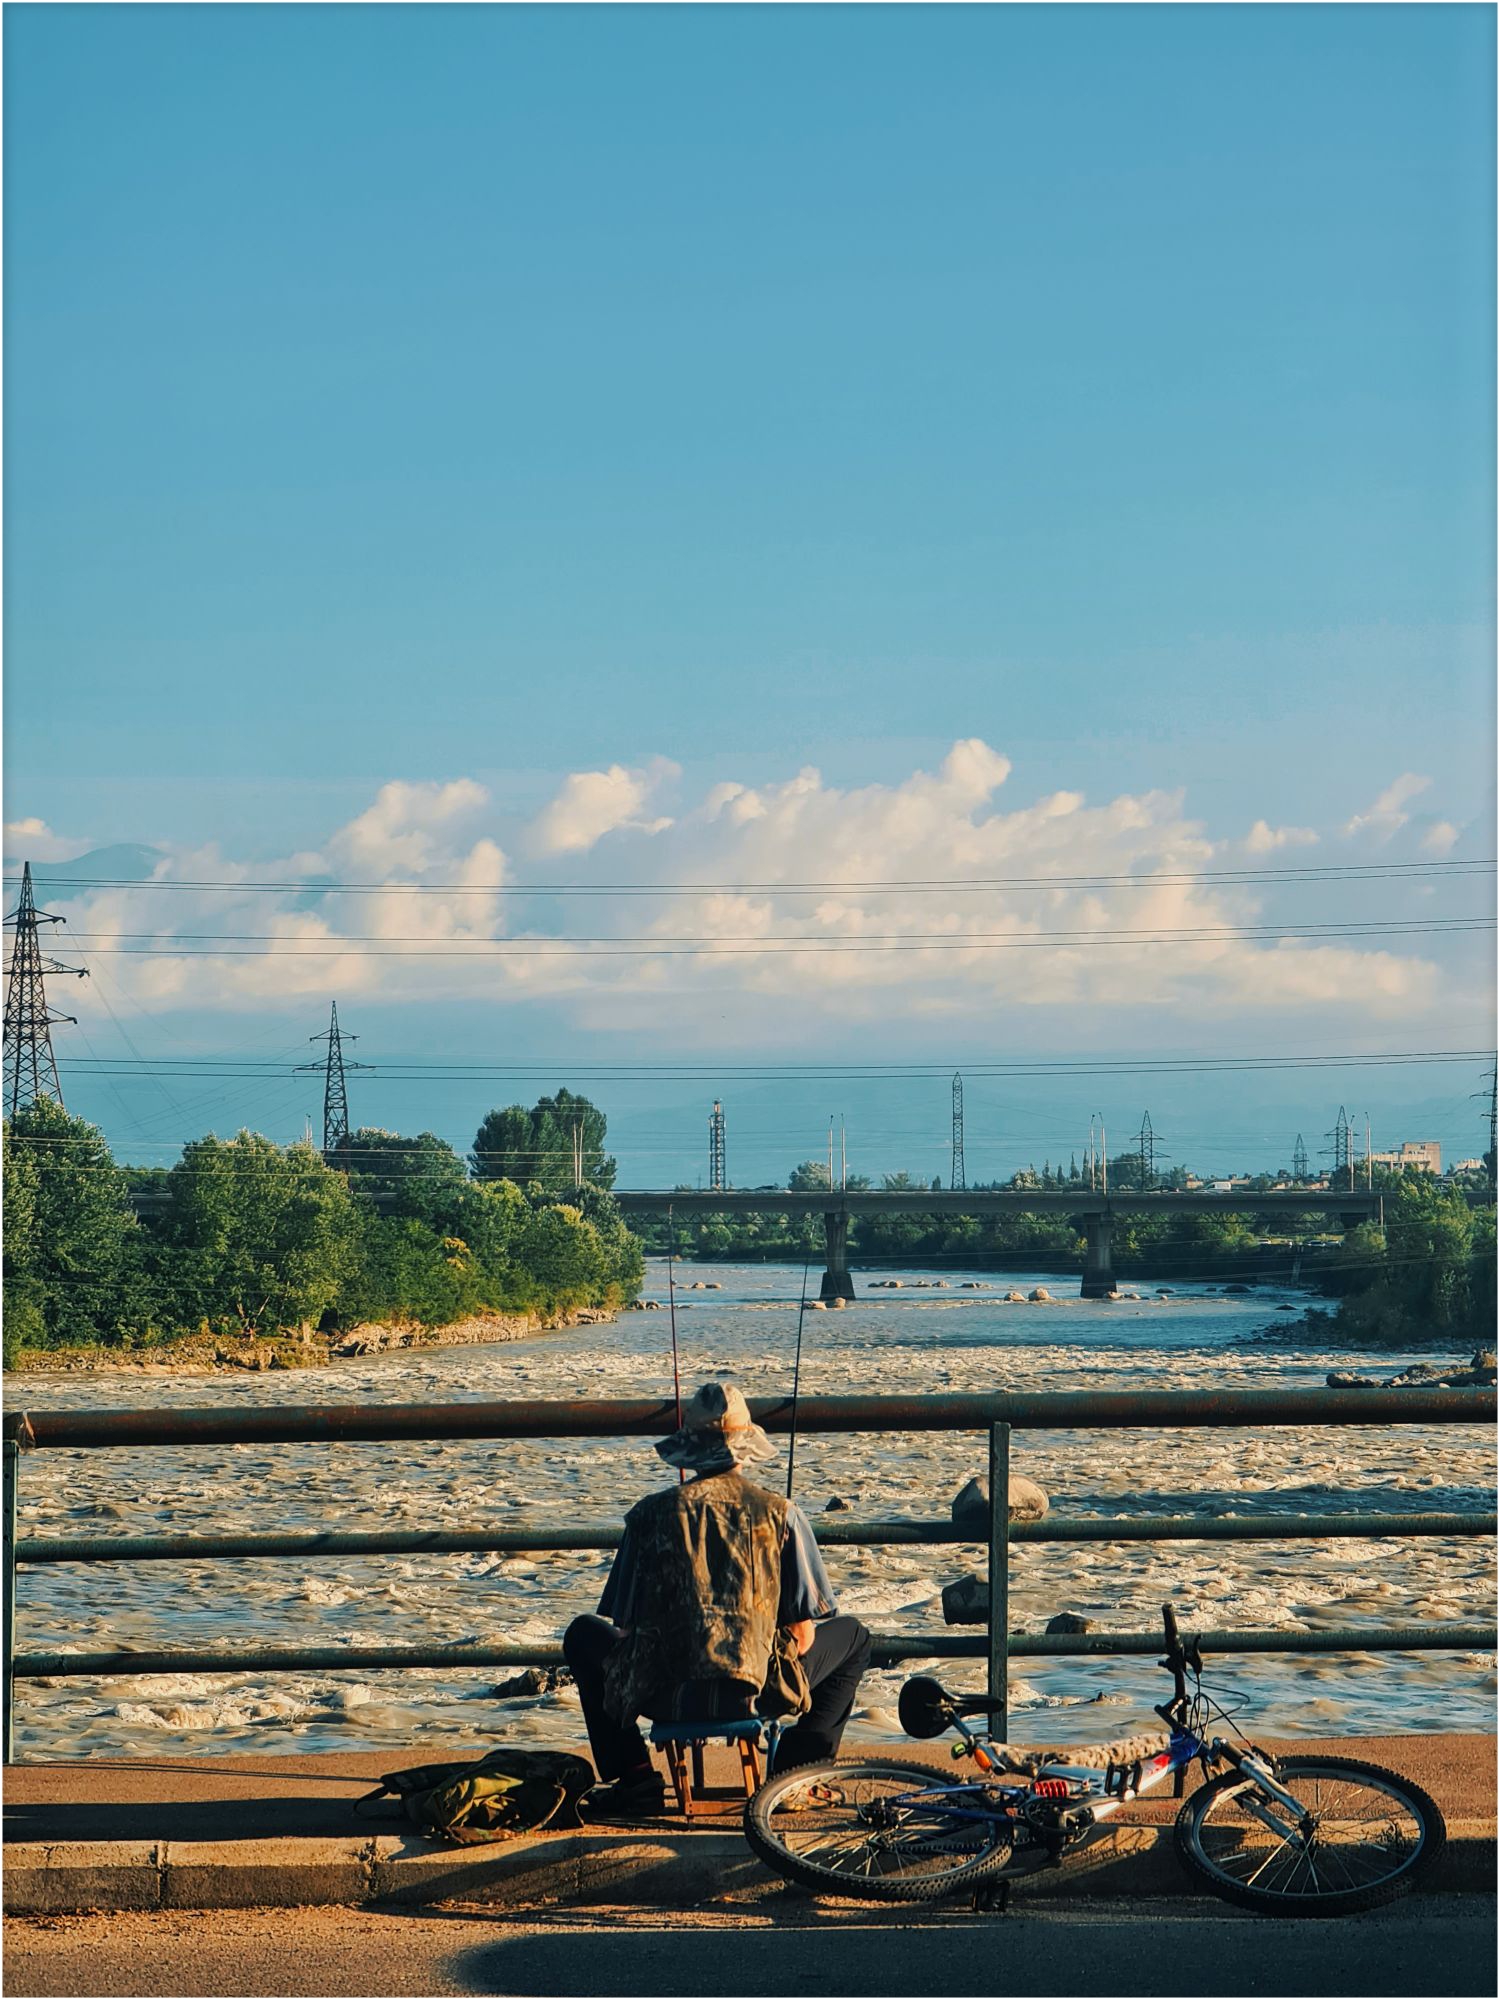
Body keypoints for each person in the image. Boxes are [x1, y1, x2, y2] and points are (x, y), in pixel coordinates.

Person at [562, 1380, 872, 1816]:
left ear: (688, 1448)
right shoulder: (780, 1513)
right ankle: (792, 1778)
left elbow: (624, 1629)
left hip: (664, 1696)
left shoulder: (648, 1515)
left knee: (582, 1635)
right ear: (746, 1446)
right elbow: (802, 1635)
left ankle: (634, 1778)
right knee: (855, 1639)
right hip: (757, 1692)